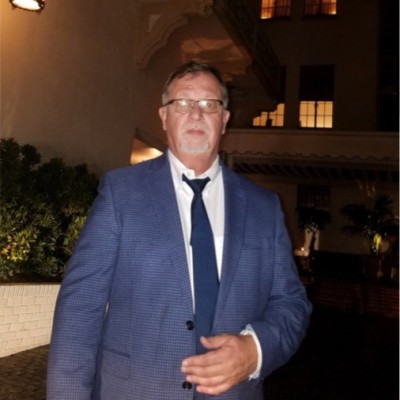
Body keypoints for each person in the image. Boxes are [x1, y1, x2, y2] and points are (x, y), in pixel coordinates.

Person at [47, 61, 312, 400]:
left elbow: (291, 302)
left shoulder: (265, 208)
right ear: (163, 116)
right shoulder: (120, 193)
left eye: (209, 104)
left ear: (224, 119)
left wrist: (255, 350)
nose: (196, 114)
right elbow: (80, 306)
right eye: (183, 103)